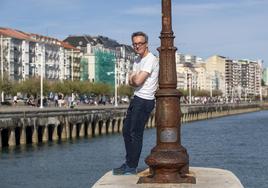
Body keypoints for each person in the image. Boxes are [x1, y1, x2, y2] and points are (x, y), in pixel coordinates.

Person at [113, 31, 159, 175]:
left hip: (145, 100)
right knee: (126, 131)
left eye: (140, 43)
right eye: (135, 44)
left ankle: (132, 167)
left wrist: (134, 78)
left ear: (146, 44)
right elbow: (130, 81)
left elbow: (136, 81)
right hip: (136, 98)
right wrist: (134, 78)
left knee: (135, 133)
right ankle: (128, 162)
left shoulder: (150, 59)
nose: (137, 46)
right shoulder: (137, 60)